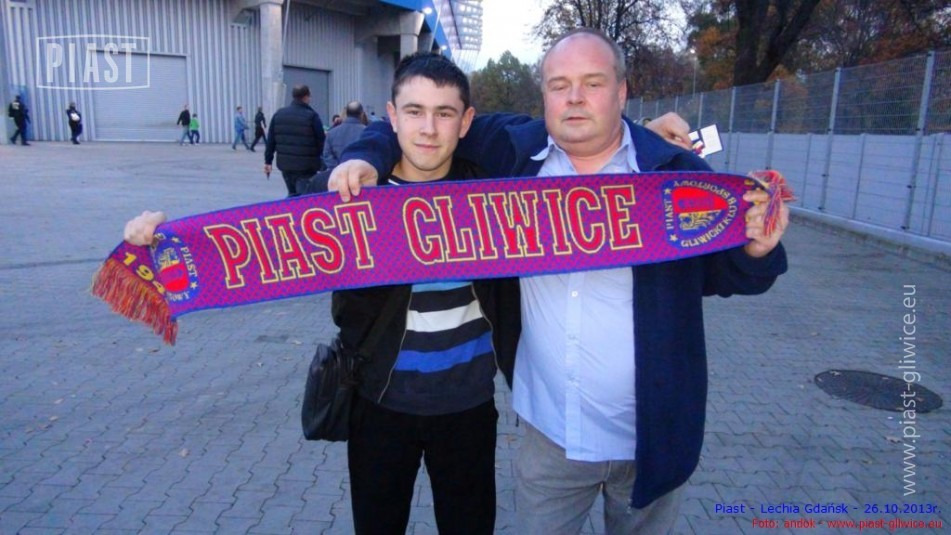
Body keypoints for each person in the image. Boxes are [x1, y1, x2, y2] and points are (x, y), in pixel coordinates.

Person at [329, 28, 789, 535]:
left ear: (621, 92)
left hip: (651, 437)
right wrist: (362, 158)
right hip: (550, 435)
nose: (574, 97)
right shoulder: (513, 153)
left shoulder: (672, 172)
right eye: (559, 84)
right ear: (543, 95)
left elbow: (729, 272)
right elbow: (415, 119)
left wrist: (757, 249)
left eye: (592, 83)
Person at [122, 52, 519, 535]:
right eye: (414, 111)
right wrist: (160, 242)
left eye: (444, 113)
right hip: (378, 403)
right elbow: (252, 241)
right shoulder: (342, 194)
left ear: (466, 121)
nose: (429, 129)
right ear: (391, 116)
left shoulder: (494, 193)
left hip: (468, 407)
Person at [263, 85, 326, 197]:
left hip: (285, 165)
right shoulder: (311, 116)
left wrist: (268, 161)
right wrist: (323, 161)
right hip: (306, 166)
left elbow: (271, 141)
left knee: (292, 194)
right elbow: (321, 141)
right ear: (306, 97)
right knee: (304, 197)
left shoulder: (279, 114)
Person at [321, 100, 366, 171]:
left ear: (346, 113)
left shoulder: (331, 133)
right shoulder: (368, 132)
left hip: (337, 172)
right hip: (360, 172)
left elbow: (327, 155)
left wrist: (339, 168)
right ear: (362, 114)